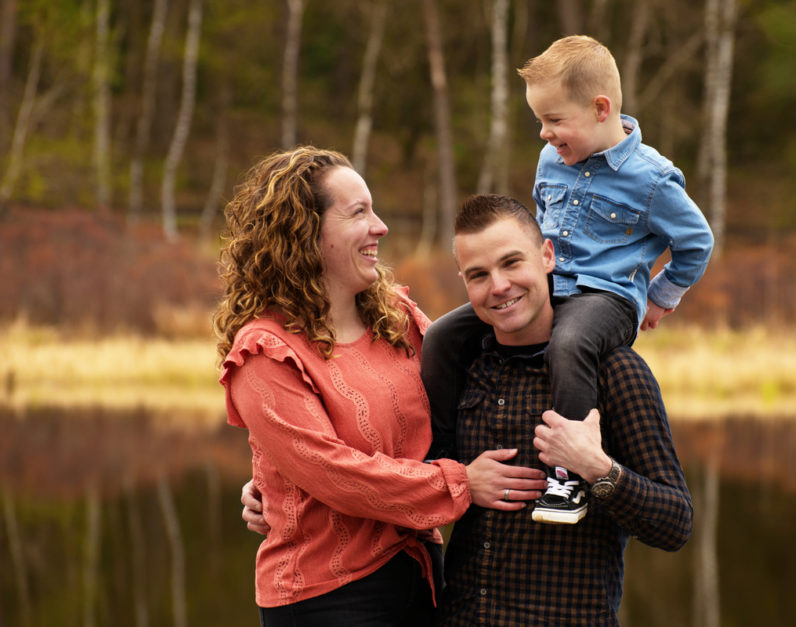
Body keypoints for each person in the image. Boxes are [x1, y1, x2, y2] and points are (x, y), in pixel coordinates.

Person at [245, 194, 694, 625]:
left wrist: (597, 468)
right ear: (465, 283)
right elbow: (402, 463)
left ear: (548, 256)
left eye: (512, 262)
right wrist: (280, 489)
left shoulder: (613, 373)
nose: (499, 286)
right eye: (478, 274)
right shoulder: (459, 370)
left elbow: (674, 524)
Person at [215, 148, 546, 626]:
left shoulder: (398, 319)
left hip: (421, 575)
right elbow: (333, 473)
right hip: (325, 600)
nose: (381, 226)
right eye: (358, 213)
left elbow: (480, 394)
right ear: (306, 234)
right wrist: (461, 483)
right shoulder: (264, 351)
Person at [421, 35, 713, 524]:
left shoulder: (653, 179)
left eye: (554, 121)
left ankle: (567, 478)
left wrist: (661, 296)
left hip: (608, 298)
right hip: (553, 285)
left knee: (569, 342)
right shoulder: (552, 160)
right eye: (539, 121)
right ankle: (439, 457)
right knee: (443, 334)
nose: (543, 133)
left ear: (601, 109)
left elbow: (696, 242)